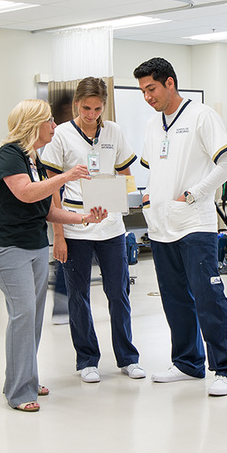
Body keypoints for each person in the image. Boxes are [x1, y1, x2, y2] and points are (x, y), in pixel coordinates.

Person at [0, 100, 106, 411]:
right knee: (23, 314)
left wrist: (84, 219)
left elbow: (47, 209)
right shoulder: (8, 155)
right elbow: (25, 193)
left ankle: (26, 377)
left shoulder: (32, 158)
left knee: (33, 317)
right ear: (33, 124)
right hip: (7, 247)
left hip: (34, 245)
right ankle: (19, 392)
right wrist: (66, 176)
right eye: (50, 121)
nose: (54, 126)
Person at [133, 56, 227, 397]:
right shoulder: (153, 125)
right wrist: (149, 200)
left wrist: (194, 195)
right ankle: (186, 363)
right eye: (143, 91)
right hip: (162, 225)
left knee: (208, 296)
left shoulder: (201, 116)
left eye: (151, 89)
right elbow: (155, 170)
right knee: (174, 299)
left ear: (169, 83)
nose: (147, 97)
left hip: (195, 223)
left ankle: (224, 368)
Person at [39, 77, 144, 384]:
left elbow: (125, 173)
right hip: (74, 227)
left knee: (118, 293)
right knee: (78, 296)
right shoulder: (61, 136)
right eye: (86, 108)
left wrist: (122, 198)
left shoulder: (113, 131)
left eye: (97, 108)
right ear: (76, 104)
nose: (91, 114)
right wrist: (58, 236)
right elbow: (53, 188)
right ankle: (87, 359)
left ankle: (128, 358)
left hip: (110, 225)